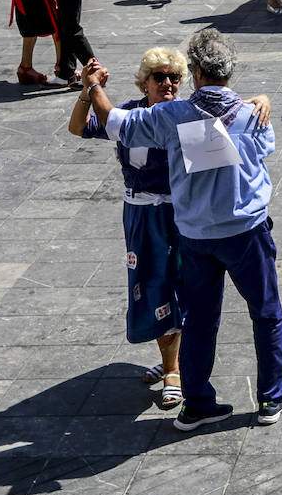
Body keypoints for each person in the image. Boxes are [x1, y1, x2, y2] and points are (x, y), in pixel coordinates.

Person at [82, 28, 282, 432]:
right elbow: (263, 149)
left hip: (195, 235)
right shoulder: (252, 113)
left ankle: (196, 403)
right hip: (247, 232)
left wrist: (92, 87)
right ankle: (270, 397)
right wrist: (260, 99)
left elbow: (112, 120)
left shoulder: (169, 115)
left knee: (199, 319)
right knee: (266, 315)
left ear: (193, 72)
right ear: (229, 72)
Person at [68, 48, 200, 410]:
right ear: (145, 83)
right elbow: (78, 127)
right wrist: (86, 89)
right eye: (160, 77)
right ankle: (173, 361)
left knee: (180, 284)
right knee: (150, 283)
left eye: (175, 77)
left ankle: (174, 370)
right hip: (140, 213)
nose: (169, 83)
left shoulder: (185, 114)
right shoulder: (126, 113)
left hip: (179, 214)